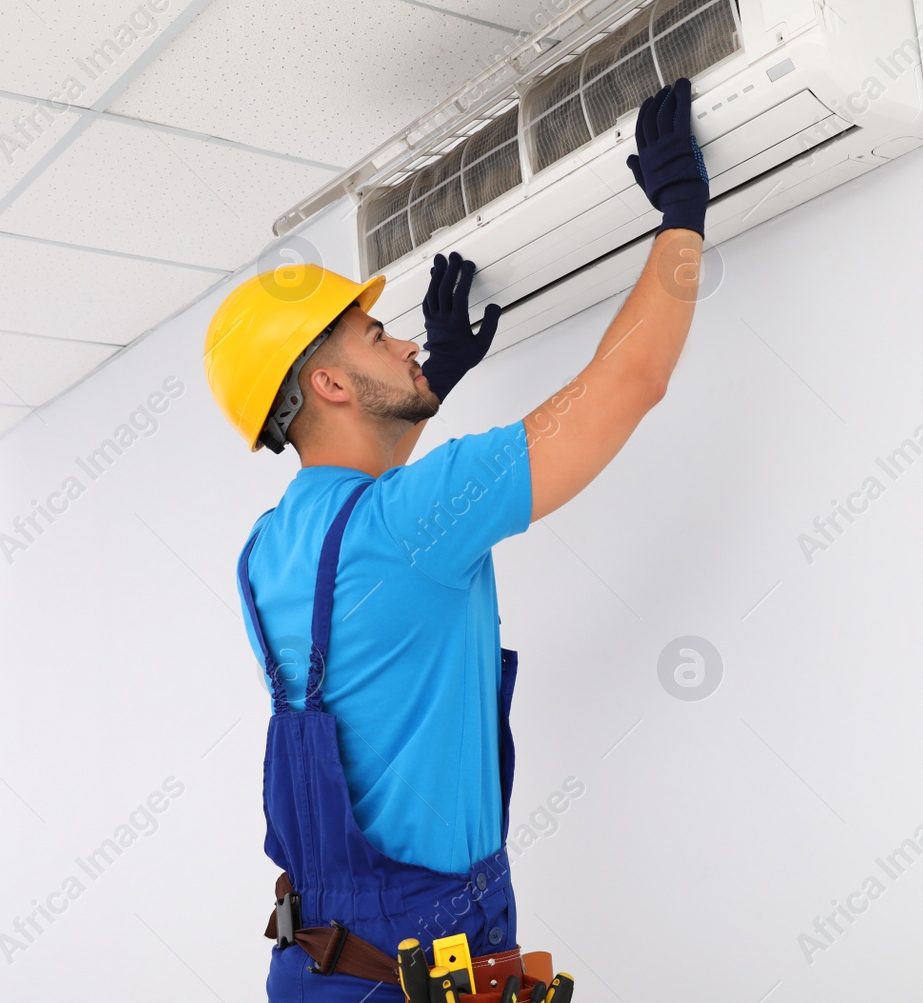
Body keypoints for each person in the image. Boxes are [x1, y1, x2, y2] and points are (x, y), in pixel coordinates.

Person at [204, 77, 709, 1001]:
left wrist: (432, 377)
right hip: (423, 959)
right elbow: (631, 381)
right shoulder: (405, 520)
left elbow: (373, 524)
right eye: (377, 334)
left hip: (317, 959)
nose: (404, 344)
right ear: (329, 385)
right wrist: (681, 216)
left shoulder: (267, 551)